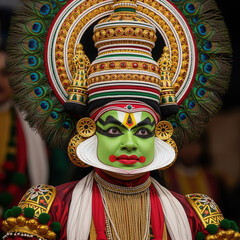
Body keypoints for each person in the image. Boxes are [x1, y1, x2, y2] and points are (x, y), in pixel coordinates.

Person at [1, 0, 239, 239]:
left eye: (143, 132)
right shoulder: (48, 209)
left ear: (160, 134)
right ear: (88, 130)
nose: (129, 143)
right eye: (114, 130)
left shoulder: (197, 216)